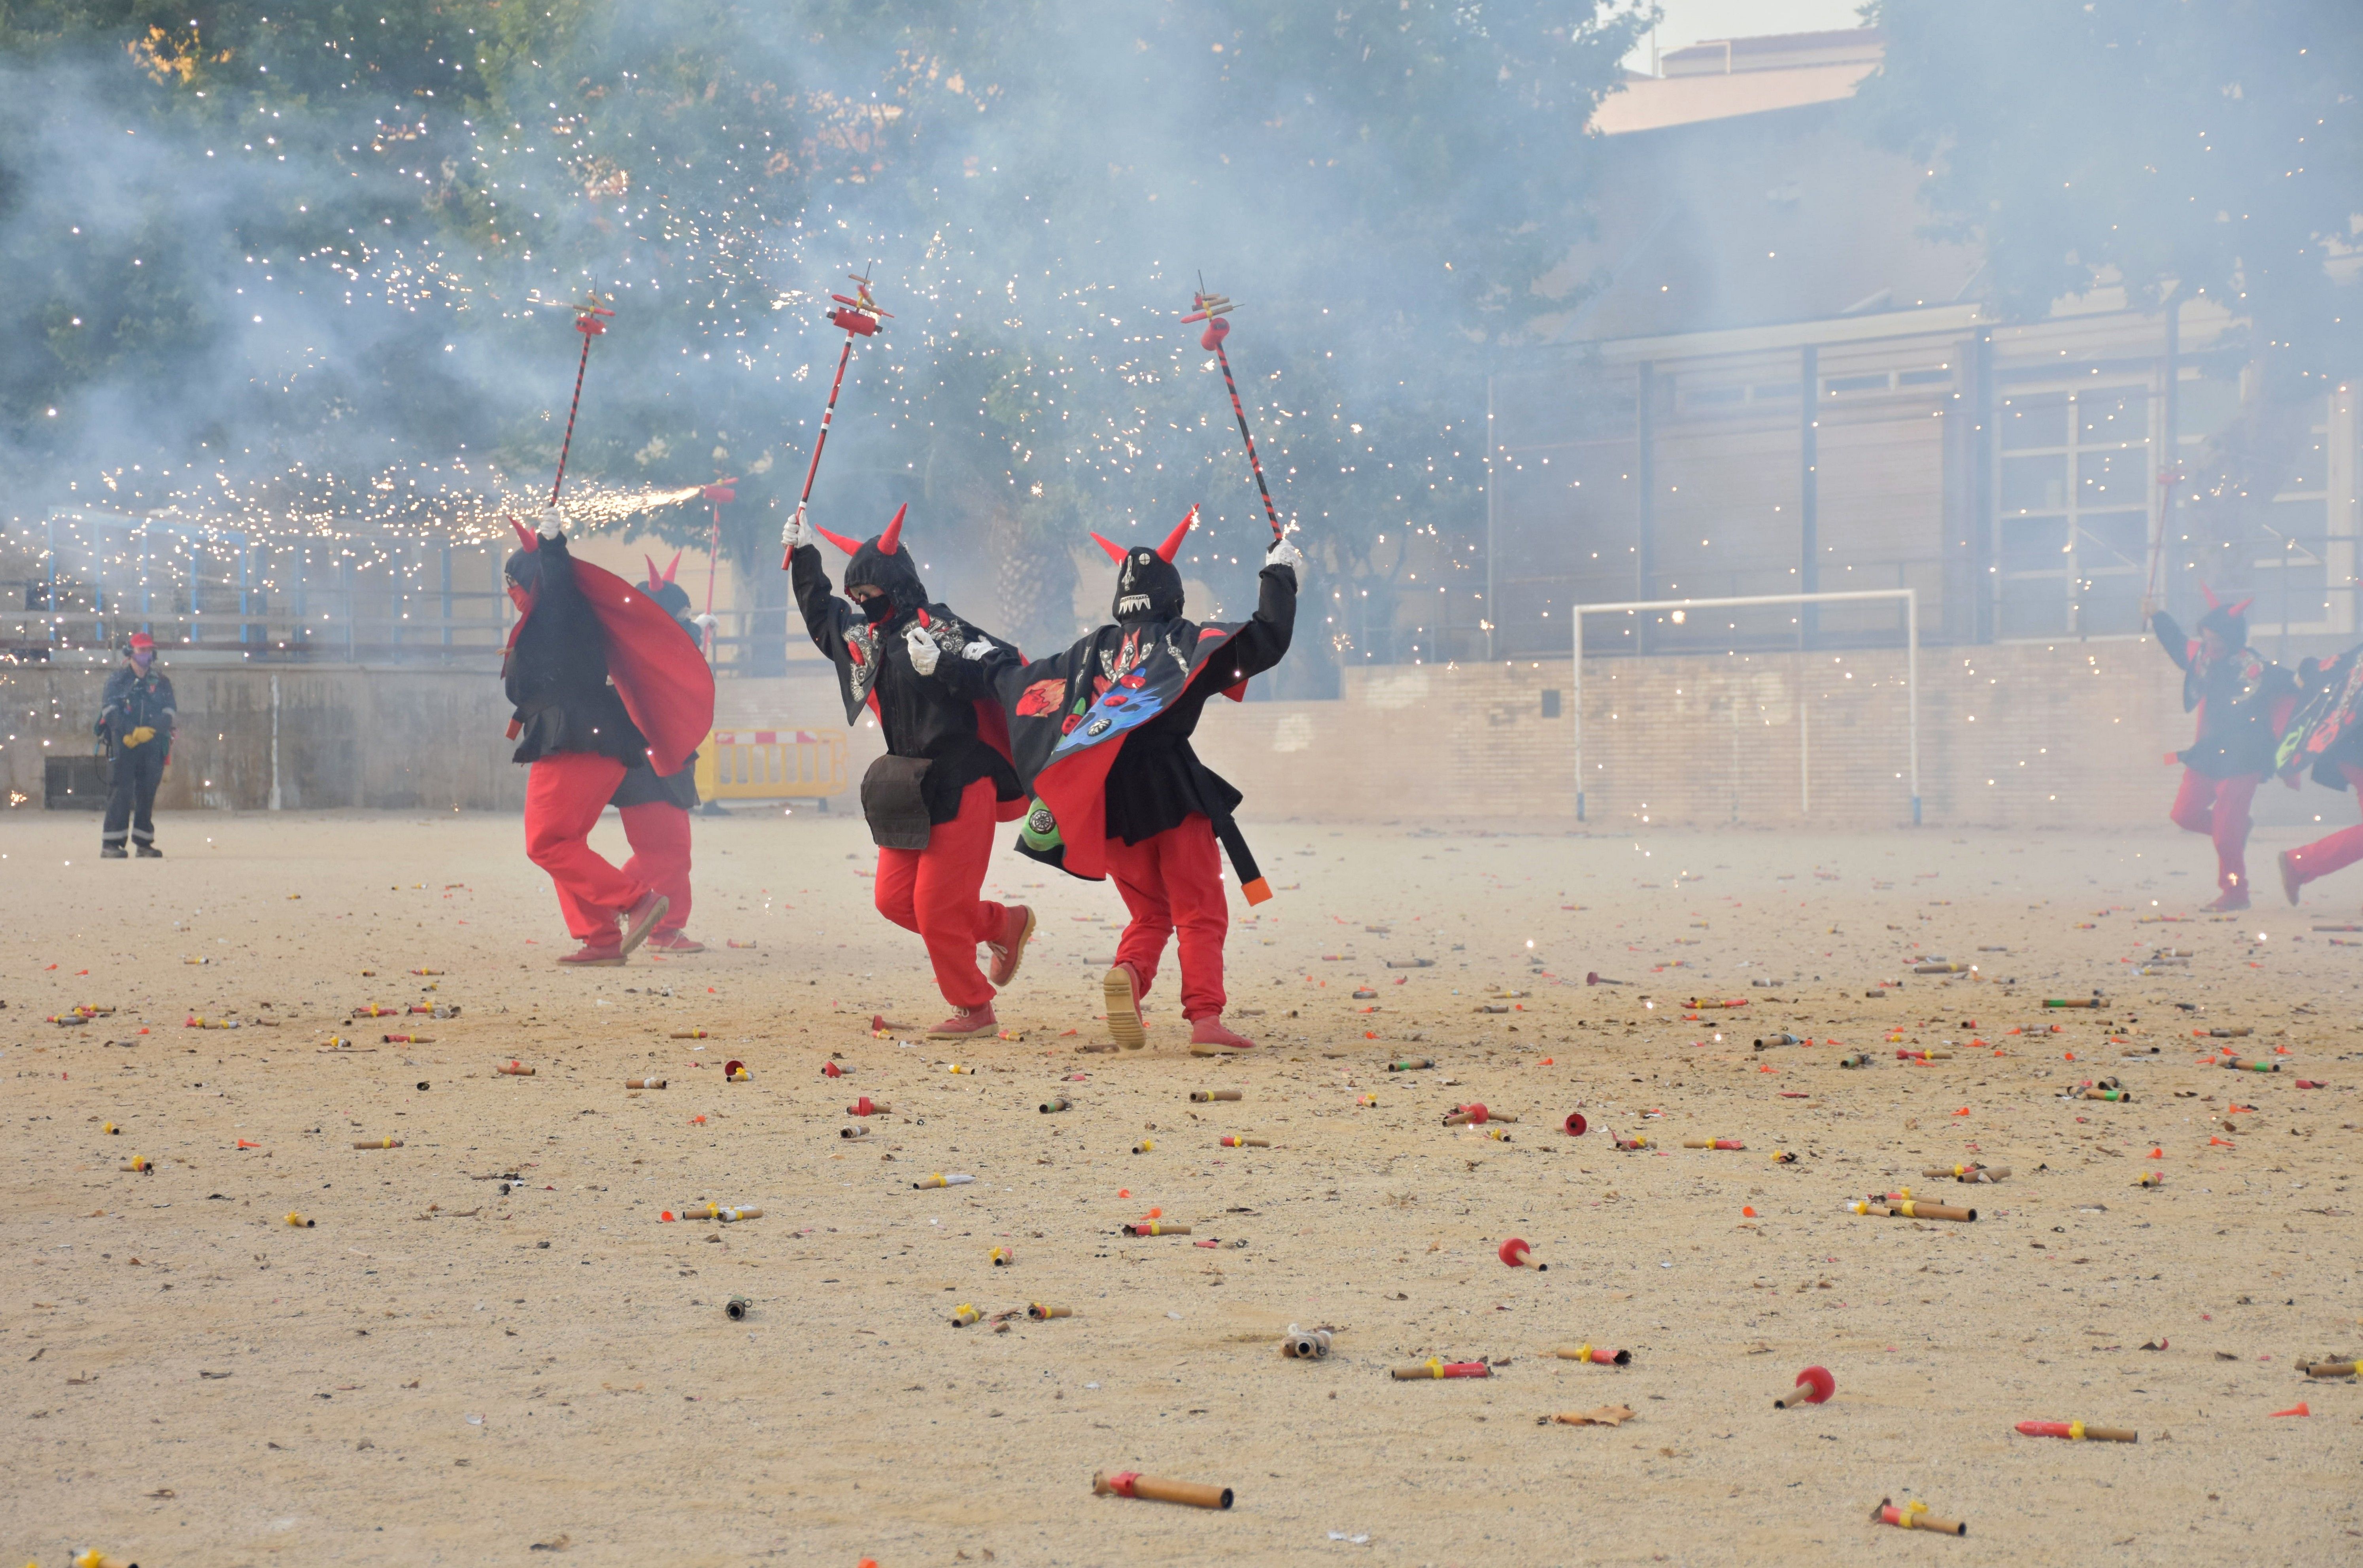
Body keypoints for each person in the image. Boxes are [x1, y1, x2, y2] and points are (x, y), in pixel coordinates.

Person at [935, 508, 1300, 1050]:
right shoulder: (1186, 642)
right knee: (1198, 907)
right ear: (1172, 599)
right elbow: (1265, 641)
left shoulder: (1087, 652)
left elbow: (1016, 679)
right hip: (1175, 790)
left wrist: (955, 659)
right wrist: (1279, 575)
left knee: (1151, 909)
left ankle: (1129, 974)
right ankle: (1205, 1020)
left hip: (1104, 798)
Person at [787, 503, 1034, 1035]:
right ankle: (1002, 922)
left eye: (869, 594)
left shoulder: (942, 627)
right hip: (905, 782)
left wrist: (945, 665)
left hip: (963, 776)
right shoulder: (868, 638)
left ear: (897, 585)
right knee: (896, 900)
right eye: (855, 598)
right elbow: (820, 617)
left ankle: (974, 1007)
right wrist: (805, 556)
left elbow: (1006, 668)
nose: (861, 605)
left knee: (938, 907)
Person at [503, 506, 714, 965]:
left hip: (578, 734)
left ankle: (634, 902)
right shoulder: (550, 615)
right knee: (562, 846)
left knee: (549, 843)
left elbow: (558, 591)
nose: (512, 593)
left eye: (514, 583)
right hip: (588, 735)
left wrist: (554, 549)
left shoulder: (560, 609)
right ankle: (600, 936)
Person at [2151, 588, 2296, 911]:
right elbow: (2177, 643)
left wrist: (2289, 759)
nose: (2211, 646)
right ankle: (2235, 828)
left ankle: (2235, 893)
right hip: (2208, 752)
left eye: (2217, 640)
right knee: (2183, 815)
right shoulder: (2202, 657)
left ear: (2233, 640)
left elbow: (2291, 692)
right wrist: (2156, 616)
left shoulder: (2259, 669)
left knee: (2226, 838)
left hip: (2245, 758)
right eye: (2207, 638)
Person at [606, 552, 709, 953]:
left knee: (671, 853)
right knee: (664, 853)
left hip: (670, 760)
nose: (687, 621)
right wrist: (695, 635)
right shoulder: (633, 652)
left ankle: (656, 923)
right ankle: (624, 908)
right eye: (681, 614)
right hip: (643, 764)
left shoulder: (660, 645)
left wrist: (696, 633)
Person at [2274, 640, 2363, 903]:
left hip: (2348, 751)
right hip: (2354, 751)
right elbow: (2319, 672)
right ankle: (2300, 863)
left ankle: (2300, 863)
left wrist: (2308, 672)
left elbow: (2317, 670)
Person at [95, 631, 174, 858]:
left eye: (149, 651)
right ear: (131, 653)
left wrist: (152, 731)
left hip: (152, 745)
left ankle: (144, 843)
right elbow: (110, 712)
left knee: (147, 791)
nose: (146, 655)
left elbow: (170, 712)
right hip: (124, 743)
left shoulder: (161, 681)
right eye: (142, 651)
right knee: (121, 791)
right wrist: (131, 732)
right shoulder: (118, 681)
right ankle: (111, 844)